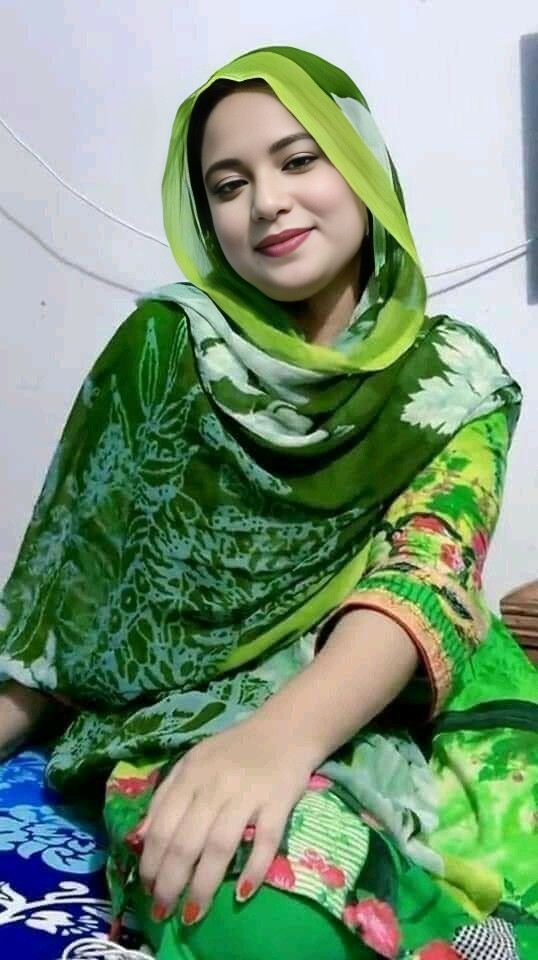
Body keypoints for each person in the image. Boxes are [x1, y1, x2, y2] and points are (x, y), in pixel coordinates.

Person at [0, 44, 536, 960]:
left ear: (361, 166)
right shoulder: (163, 348)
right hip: (190, 712)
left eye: (299, 159)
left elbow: (427, 574)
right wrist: (236, 745)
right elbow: (70, 601)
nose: (267, 202)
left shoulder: (455, 374)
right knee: (255, 911)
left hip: (401, 696)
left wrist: (279, 743)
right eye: (228, 184)